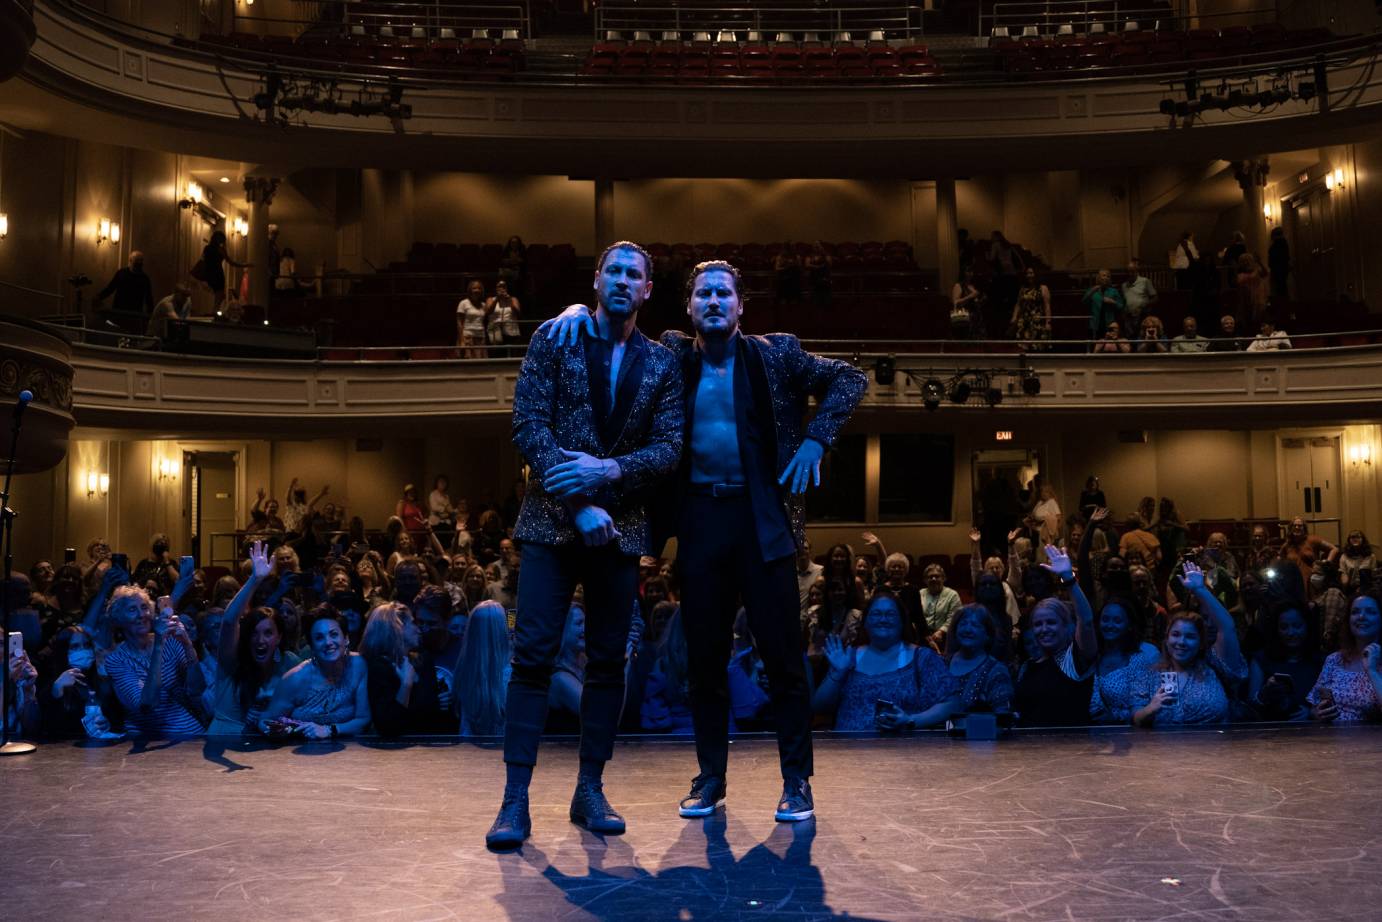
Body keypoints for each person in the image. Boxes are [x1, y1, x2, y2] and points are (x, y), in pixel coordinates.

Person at [544, 256, 867, 825]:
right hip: (698, 522)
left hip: (760, 522)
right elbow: (614, 324)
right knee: (706, 662)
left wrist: (817, 438)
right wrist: (574, 307)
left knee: (784, 660)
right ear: (688, 307)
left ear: (741, 305)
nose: (713, 302)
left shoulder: (778, 353)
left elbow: (850, 377)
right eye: (702, 294)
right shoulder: (668, 355)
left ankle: (797, 782)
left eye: (723, 293)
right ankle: (712, 777)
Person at [486, 240, 683, 850]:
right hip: (552, 523)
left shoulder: (663, 362)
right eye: (614, 271)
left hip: (620, 529)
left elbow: (670, 447)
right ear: (596, 280)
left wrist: (608, 473)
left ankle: (589, 789)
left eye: (635, 275)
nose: (623, 281)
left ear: (648, 289)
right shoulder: (556, 336)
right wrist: (579, 500)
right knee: (534, 657)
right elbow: (527, 425)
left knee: (607, 663)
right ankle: (514, 800)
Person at [814, 590, 959, 731]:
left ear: (902, 622)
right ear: (865, 622)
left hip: (904, 752)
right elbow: (819, 706)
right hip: (848, 751)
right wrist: (838, 673)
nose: (883, 619)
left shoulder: (922, 658)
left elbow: (952, 703)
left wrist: (911, 720)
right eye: (876, 614)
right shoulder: (848, 657)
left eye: (890, 614)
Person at [1129, 562, 1247, 727]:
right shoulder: (1149, 674)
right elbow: (1136, 718)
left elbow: (1227, 627)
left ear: (1200, 643)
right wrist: (1150, 708)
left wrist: (1200, 590)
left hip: (1215, 748)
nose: (1181, 642)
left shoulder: (1214, 665)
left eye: (1190, 636)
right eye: (1176, 635)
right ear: (1167, 638)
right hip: (1162, 750)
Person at [207, 541, 300, 735]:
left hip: (266, 750)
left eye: (268, 633)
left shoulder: (288, 662)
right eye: (254, 633)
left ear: (279, 638)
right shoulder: (233, 661)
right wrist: (255, 580)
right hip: (226, 739)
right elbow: (230, 620)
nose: (260, 640)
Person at [102, 577, 206, 737]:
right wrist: (158, 645)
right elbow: (147, 704)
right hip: (150, 743)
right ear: (118, 618)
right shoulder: (116, 660)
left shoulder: (171, 641)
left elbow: (197, 689)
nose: (141, 615)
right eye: (132, 610)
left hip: (191, 734)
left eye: (144, 607)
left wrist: (187, 644)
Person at [258, 604, 371, 739]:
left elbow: (363, 720)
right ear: (311, 646)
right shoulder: (295, 678)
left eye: (333, 634)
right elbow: (264, 721)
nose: (328, 642)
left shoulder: (359, 665)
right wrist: (279, 731)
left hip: (351, 752)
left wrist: (329, 730)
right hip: (302, 753)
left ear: (346, 639)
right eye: (319, 638)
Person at [1013, 547, 1097, 727]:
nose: (1044, 629)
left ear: (1066, 625)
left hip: (1072, 749)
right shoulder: (1028, 666)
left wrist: (1069, 579)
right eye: (1038, 624)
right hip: (1031, 750)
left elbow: (1087, 621)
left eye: (1051, 622)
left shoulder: (1074, 660)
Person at [1308, 591, 1382, 722]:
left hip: (1371, 740)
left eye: (1370, 612)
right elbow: (1314, 706)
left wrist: (1372, 671)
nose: (1361, 616)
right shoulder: (1334, 659)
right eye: (1355, 612)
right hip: (1330, 738)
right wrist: (1317, 713)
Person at [1088, 597, 1160, 723]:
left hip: (1127, 736)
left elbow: (1143, 707)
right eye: (1105, 619)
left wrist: (1114, 718)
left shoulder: (1138, 659)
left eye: (1117, 621)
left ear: (1129, 625)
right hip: (1091, 736)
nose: (1110, 625)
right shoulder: (1092, 655)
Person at [1248, 604, 1322, 721]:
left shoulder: (1319, 661)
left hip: (1311, 732)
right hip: (1270, 733)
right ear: (1276, 630)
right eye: (1284, 627)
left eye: (1297, 626)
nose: (1291, 633)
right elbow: (1250, 709)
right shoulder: (1262, 659)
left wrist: (1311, 713)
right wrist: (1264, 693)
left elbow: (1329, 701)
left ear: (1307, 627)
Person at [944, 604, 1015, 716]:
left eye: (975, 625)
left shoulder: (996, 671)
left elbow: (1003, 717)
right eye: (963, 624)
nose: (967, 629)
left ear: (987, 635)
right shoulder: (941, 664)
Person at [456, 601, 512, 736]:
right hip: (505, 750)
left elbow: (465, 727)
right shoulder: (511, 673)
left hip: (470, 751)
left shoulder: (464, 669)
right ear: (501, 628)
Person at [199, 231, 250, 312]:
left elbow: (202, 261)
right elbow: (231, 262)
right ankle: (215, 313)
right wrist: (244, 265)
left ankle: (215, 312)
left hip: (209, 273)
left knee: (219, 296)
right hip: (217, 274)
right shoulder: (220, 250)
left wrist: (203, 277)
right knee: (219, 296)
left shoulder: (207, 248)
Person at [94, 250, 156, 315]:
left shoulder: (144, 278)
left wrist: (150, 313)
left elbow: (149, 298)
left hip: (134, 314)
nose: (139, 263)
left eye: (141, 261)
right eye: (137, 261)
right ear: (130, 261)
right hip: (119, 311)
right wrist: (99, 297)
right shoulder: (121, 273)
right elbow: (110, 288)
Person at [1010, 266, 1051, 350]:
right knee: (1024, 347)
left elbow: (1047, 306)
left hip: (1038, 321)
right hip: (1024, 321)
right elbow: (1018, 304)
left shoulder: (1043, 288)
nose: (1029, 275)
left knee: (1037, 346)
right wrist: (1014, 317)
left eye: (1031, 273)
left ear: (1036, 274)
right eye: (1027, 273)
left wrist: (1048, 322)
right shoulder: (1023, 289)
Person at [1082, 269, 1124, 340]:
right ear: (1098, 277)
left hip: (1109, 324)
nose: (1106, 278)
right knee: (1095, 345)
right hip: (1095, 324)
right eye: (1104, 275)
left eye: (1108, 276)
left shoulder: (1113, 291)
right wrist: (1092, 291)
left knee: (1109, 345)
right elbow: (1084, 302)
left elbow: (1121, 306)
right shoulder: (1092, 290)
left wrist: (1113, 302)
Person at [456, 278, 492, 359]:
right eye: (474, 288)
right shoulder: (463, 303)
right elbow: (459, 322)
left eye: (479, 288)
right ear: (470, 290)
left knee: (481, 364)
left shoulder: (483, 305)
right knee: (468, 363)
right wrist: (461, 340)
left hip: (480, 337)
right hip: (468, 337)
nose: (477, 290)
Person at [486, 279, 523, 352]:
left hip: (511, 331)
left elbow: (518, 313)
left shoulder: (513, 299)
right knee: (497, 354)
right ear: (495, 288)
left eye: (504, 286)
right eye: (499, 286)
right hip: (495, 331)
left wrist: (509, 299)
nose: (501, 288)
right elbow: (488, 312)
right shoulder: (490, 299)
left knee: (511, 353)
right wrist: (497, 299)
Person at [1120, 259, 1158, 327]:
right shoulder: (1124, 285)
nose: (1130, 274)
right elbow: (1123, 301)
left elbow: (1155, 298)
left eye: (1132, 271)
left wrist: (1145, 304)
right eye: (1128, 272)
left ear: (1137, 271)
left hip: (1143, 316)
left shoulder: (1145, 281)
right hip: (1129, 318)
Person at [1236, 253, 1270, 326]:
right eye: (1243, 261)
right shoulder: (1240, 272)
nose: (1245, 263)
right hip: (1245, 297)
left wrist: (1259, 262)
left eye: (1247, 261)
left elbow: (1265, 273)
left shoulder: (1257, 269)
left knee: (1258, 317)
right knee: (1246, 316)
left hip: (1257, 297)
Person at [950, 266, 983, 339]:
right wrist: (970, 296)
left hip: (976, 317)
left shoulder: (973, 286)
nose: (970, 274)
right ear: (963, 273)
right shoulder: (958, 285)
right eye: (968, 272)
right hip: (965, 318)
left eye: (971, 272)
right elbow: (956, 303)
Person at [805, 241, 832, 308]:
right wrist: (816, 266)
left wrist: (823, 254)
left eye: (818, 245)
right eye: (815, 246)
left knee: (824, 273)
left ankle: (825, 300)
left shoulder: (825, 254)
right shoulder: (810, 255)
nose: (816, 247)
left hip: (823, 273)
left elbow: (829, 263)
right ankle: (816, 300)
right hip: (814, 273)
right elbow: (807, 264)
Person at [1267, 226, 1290, 299]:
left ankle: (1281, 305)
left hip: (1277, 269)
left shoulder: (1276, 245)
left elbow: (1273, 258)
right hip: (1283, 268)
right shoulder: (1284, 244)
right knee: (1283, 286)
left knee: (1279, 288)